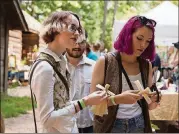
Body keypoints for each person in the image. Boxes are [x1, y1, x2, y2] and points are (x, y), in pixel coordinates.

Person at [29, 11, 107, 133]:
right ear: (56, 27)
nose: (77, 33)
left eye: (79, 29)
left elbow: (63, 104)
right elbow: (47, 120)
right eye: (72, 27)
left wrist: (89, 99)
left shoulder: (60, 61)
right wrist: (85, 102)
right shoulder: (45, 67)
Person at [91, 16, 160, 133]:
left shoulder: (146, 65)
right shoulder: (105, 62)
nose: (143, 45)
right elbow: (91, 102)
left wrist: (155, 99)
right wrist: (117, 99)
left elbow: (150, 106)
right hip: (111, 125)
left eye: (148, 41)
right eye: (139, 38)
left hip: (139, 124)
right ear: (128, 36)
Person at [65, 29, 95, 133]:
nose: (77, 46)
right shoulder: (56, 67)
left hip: (90, 127)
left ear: (86, 42)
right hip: (64, 126)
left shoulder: (95, 67)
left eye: (81, 42)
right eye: (73, 41)